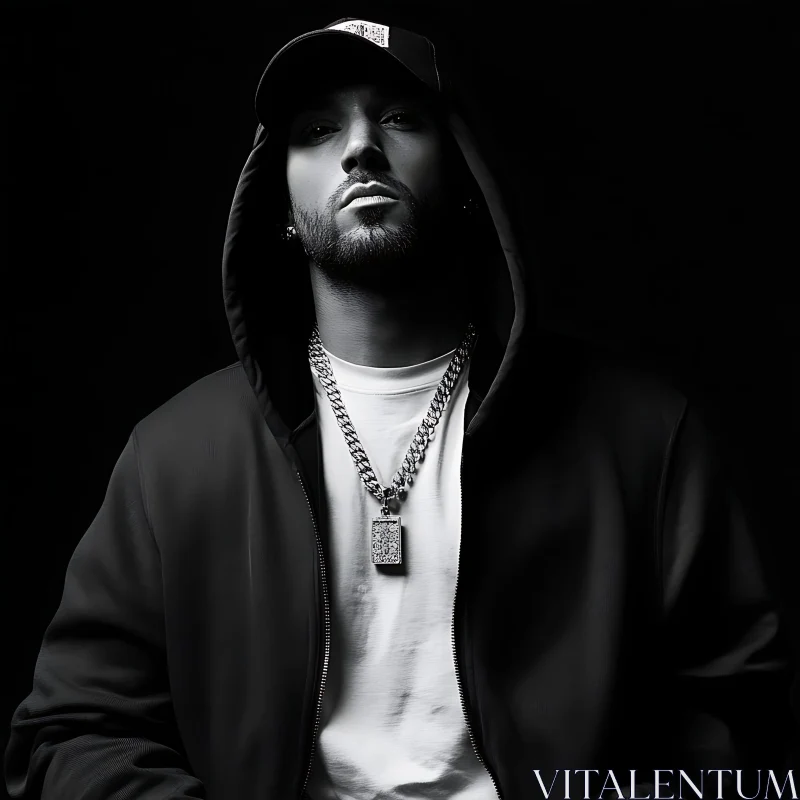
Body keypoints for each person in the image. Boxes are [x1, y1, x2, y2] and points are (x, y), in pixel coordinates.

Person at [4, 15, 796, 800]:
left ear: (462, 176)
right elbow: (72, 729)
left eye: (398, 118)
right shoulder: (175, 458)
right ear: (278, 199)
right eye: (317, 128)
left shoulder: (638, 436)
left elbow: (740, 710)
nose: (360, 148)